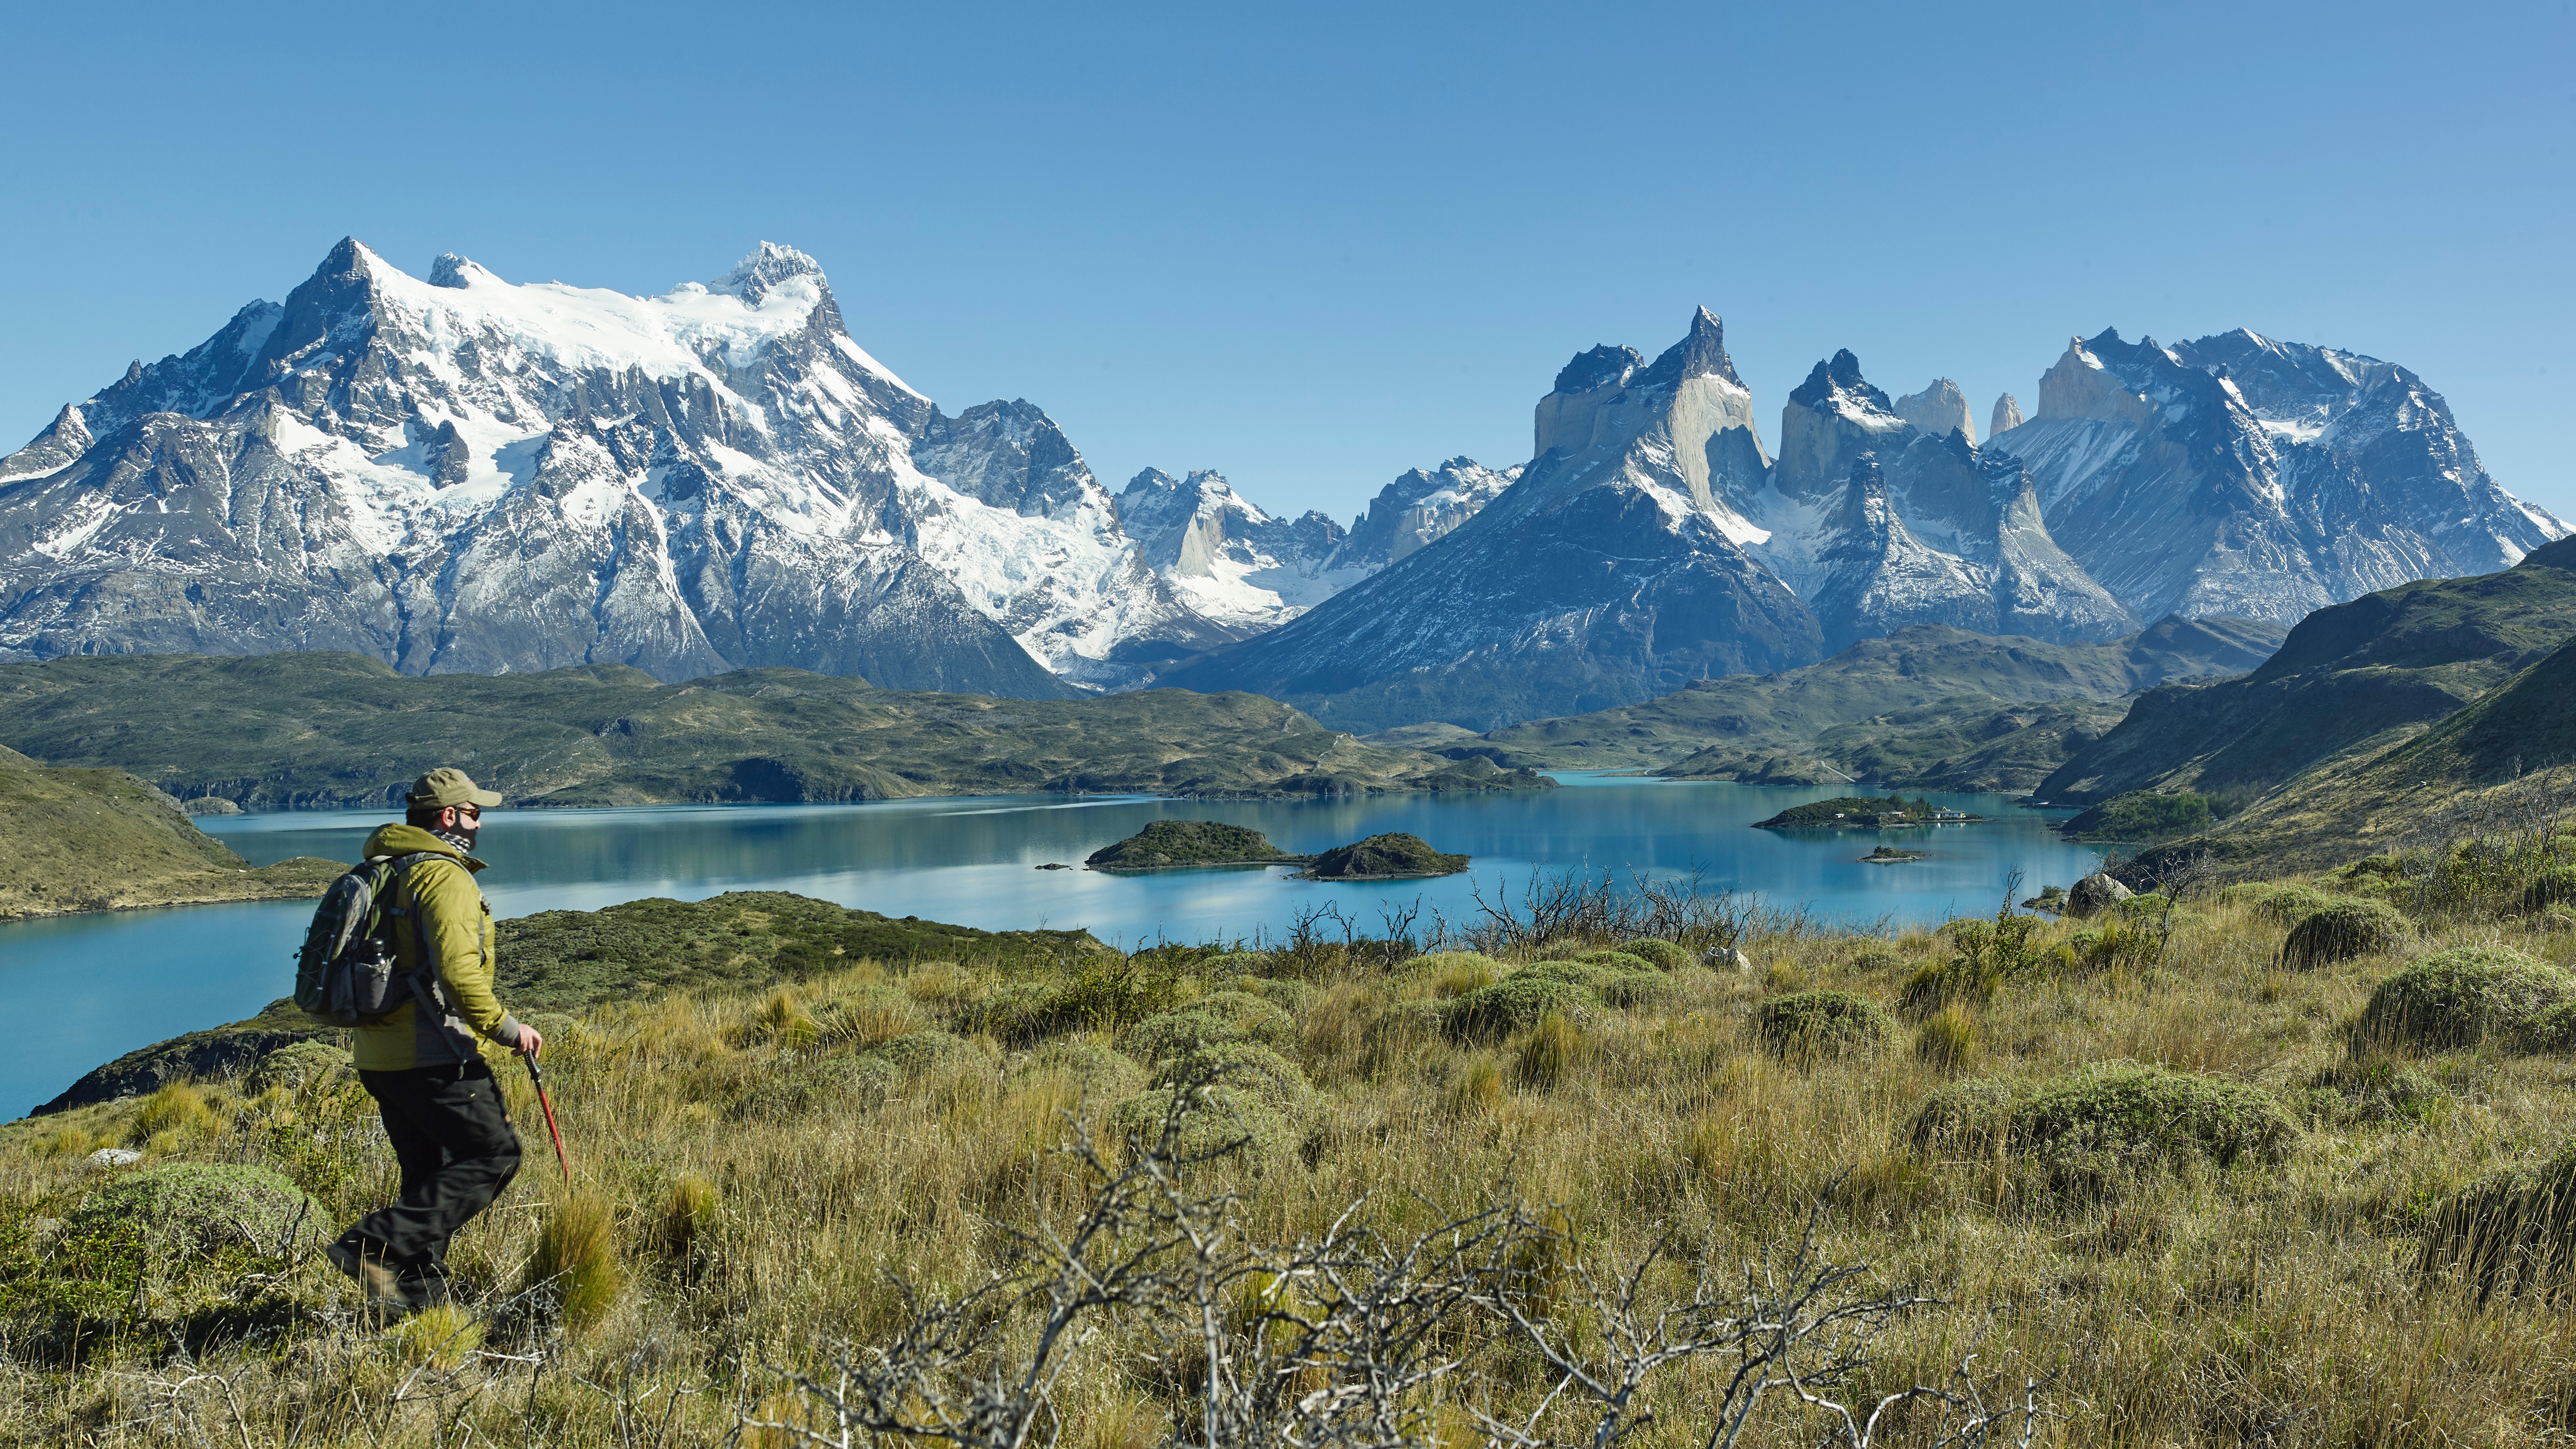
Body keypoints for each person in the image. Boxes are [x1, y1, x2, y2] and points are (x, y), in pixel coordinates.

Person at [322, 767, 542, 1316]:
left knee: (430, 1172)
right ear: (449, 816)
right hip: (434, 1056)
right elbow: (461, 975)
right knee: (495, 1153)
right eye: (474, 813)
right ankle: (373, 1243)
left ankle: (413, 1307)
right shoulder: (443, 877)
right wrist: (510, 1030)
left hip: (379, 1059)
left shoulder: (386, 870)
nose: (479, 822)